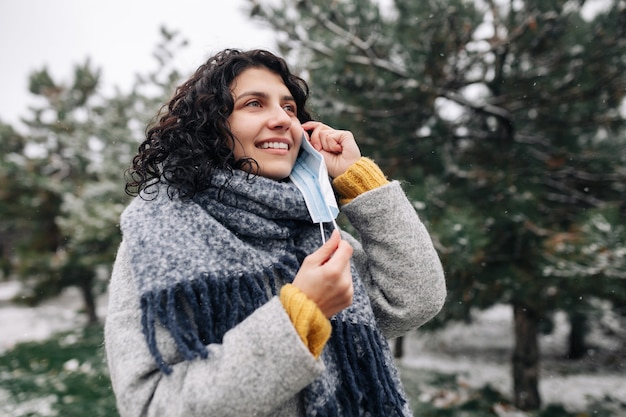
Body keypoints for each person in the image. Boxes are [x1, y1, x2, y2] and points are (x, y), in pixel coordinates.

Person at [104, 48, 446, 417]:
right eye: (254, 104)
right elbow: (150, 406)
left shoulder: (309, 229)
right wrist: (299, 317)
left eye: (289, 108)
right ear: (210, 125)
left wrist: (358, 179)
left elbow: (413, 300)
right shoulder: (162, 233)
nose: (283, 120)